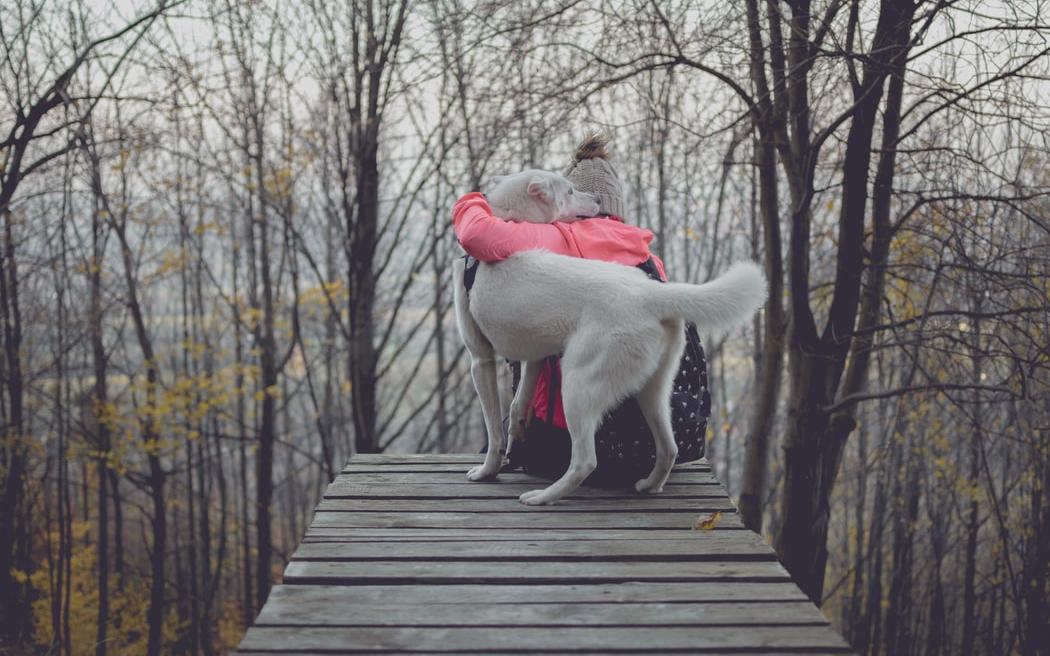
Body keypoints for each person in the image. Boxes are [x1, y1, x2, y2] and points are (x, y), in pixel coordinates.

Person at [451, 131, 710, 485]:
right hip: (646, 444)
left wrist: (474, 201)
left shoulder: (563, 237)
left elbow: (478, 236)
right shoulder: (645, 255)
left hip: (560, 449)